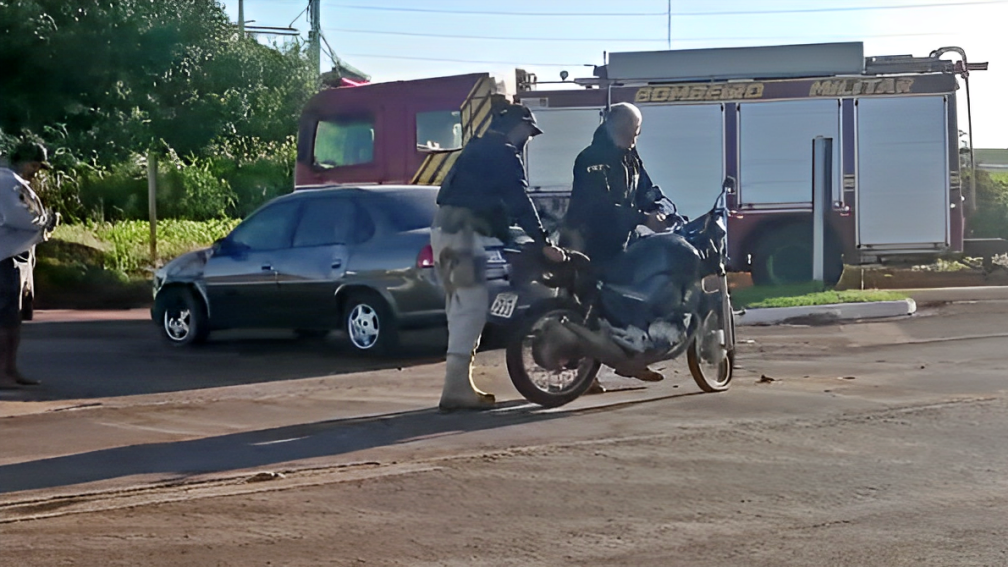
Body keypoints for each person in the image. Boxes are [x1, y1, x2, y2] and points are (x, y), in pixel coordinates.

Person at [431, 103, 563, 411]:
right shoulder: (503, 153)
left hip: (444, 232)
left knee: (460, 306)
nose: (527, 140)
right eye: (528, 133)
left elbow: (492, 202)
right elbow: (517, 199)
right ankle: (455, 390)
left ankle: (458, 384)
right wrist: (543, 241)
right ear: (518, 127)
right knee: (471, 305)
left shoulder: (477, 149)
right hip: (463, 236)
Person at [560, 102, 673, 386]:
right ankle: (582, 377)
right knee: (590, 308)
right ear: (612, 126)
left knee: (630, 300)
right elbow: (601, 206)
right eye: (628, 130)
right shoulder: (592, 159)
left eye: (637, 132)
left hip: (618, 241)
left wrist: (660, 207)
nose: (634, 137)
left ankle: (629, 360)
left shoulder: (630, 156)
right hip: (587, 241)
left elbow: (646, 189)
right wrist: (642, 219)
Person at [0, 141, 52, 389]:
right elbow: (19, 216)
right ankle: (4, 373)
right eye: (34, 164)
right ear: (21, 160)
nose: (36, 171)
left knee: (12, 320)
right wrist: (45, 222)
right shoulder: (7, 183)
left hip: (12, 257)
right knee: (5, 321)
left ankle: (10, 371)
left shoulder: (12, 183)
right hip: (3, 259)